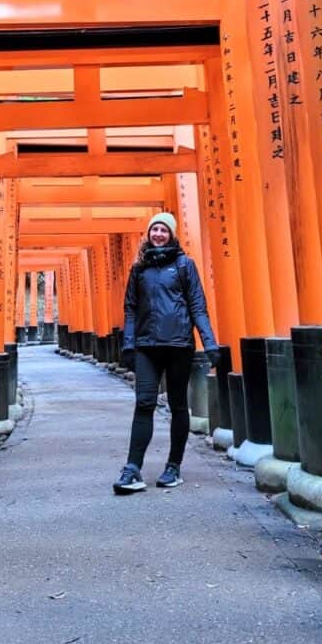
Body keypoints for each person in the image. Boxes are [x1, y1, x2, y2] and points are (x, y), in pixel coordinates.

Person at [113, 211, 219, 494]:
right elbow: (131, 308)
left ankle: (174, 465)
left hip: (179, 345)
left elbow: (198, 306)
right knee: (144, 403)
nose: (158, 234)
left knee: (178, 405)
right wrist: (128, 343)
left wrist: (209, 343)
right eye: (154, 230)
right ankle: (132, 468)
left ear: (172, 234)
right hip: (147, 347)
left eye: (163, 230)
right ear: (148, 234)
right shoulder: (139, 269)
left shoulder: (185, 265)